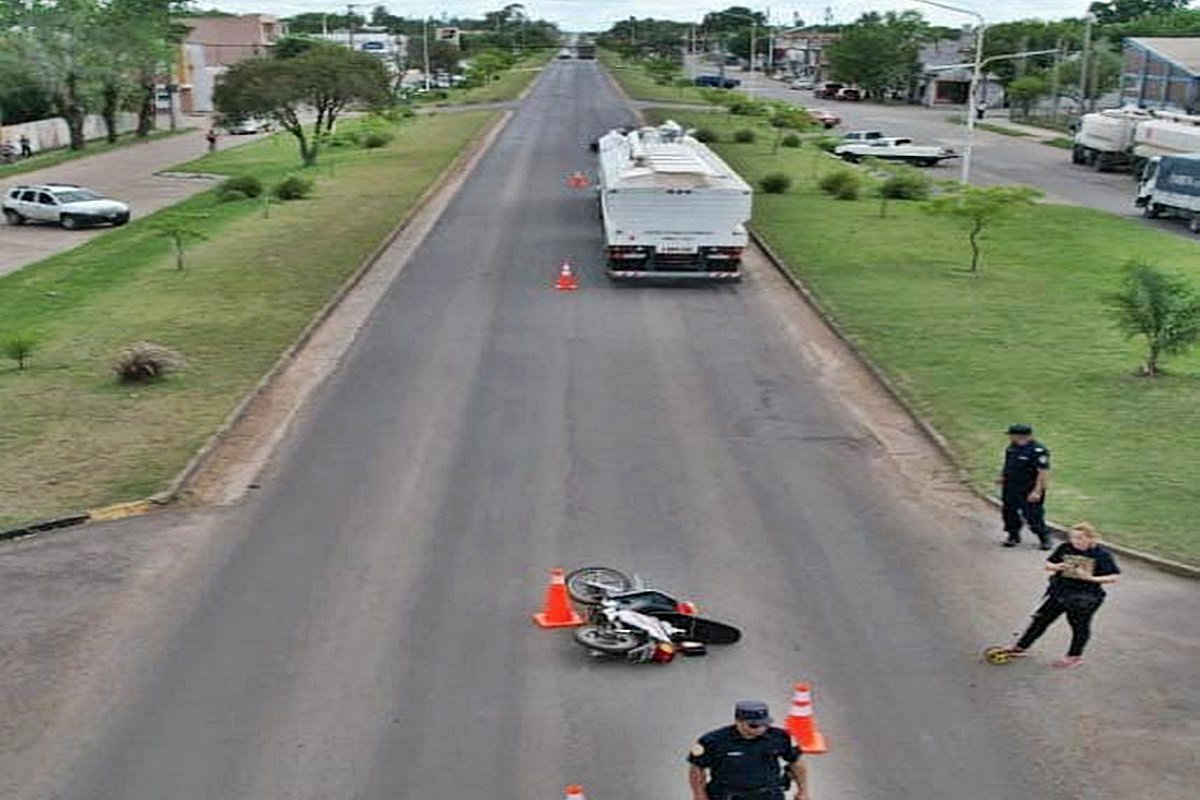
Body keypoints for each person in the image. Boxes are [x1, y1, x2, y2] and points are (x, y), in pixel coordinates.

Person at [996, 522, 1120, 668]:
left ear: (1091, 538)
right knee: (1040, 620)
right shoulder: (1065, 547)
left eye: (1080, 538)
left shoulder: (1101, 554)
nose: (1076, 541)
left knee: (1079, 627)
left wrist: (1090, 578)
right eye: (1073, 537)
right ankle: (1021, 647)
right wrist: (1056, 566)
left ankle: (1074, 657)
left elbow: (1113, 577)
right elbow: (1048, 564)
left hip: (1085, 597)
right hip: (1059, 591)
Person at [687, 701, 809, 800]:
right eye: (754, 725)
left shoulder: (780, 737)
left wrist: (803, 791)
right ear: (738, 722)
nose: (761, 729)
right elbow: (697, 768)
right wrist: (699, 796)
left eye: (765, 724)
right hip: (728, 795)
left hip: (768, 795)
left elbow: (796, 763)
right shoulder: (714, 741)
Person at [997, 423, 1052, 549]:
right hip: (1011, 486)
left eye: (1012, 435)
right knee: (1009, 512)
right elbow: (1008, 463)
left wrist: (1037, 491)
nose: (1010, 438)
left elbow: (1042, 472)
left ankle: (1044, 537)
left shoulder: (1038, 451)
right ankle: (1013, 535)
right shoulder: (1012, 447)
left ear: (1021, 436)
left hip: (1029, 488)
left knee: (1033, 515)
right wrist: (1002, 476)